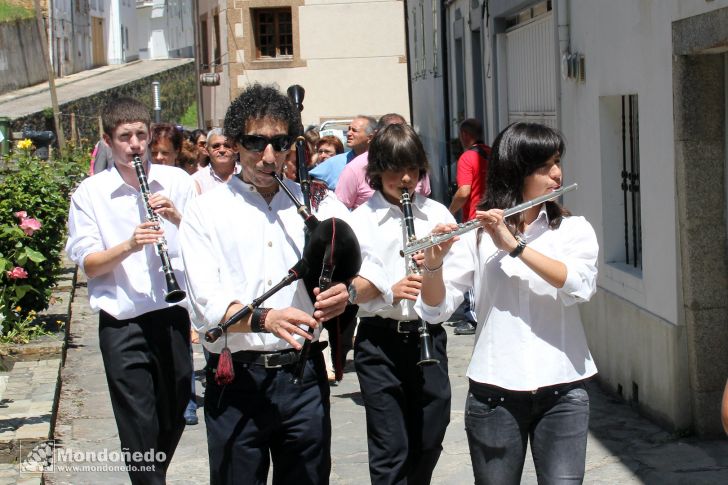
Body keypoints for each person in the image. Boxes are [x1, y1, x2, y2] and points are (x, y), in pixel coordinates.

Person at [178, 83, 352, 485]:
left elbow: (368, 259)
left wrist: (349, 290)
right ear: (236, 143)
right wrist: (265, 319)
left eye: (280, 142)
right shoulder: (206, 212)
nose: (269, 155)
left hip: (303, 377)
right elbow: (206, 307)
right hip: (237, 380)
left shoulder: (316, 203)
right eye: (256, 142)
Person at [417, 122, 599, 485]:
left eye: (558, 162)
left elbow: (579, 286)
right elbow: (436, 309)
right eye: (545, 166)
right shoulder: (478, 233)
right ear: (517, 170)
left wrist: (515, 247)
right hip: (494, 393)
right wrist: (434, 263)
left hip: (563, 390)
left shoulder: (573, 229)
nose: (557, 174)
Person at [66, 97, 195, 484]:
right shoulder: (90, 193)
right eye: (125, 137)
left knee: (172, 416)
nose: (135, 144)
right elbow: (88, 263)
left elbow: (209, 246)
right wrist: (129, 245)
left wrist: (178, 219)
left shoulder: (178, 182)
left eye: (142, 134)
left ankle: (151, 476)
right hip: (122, 323)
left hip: (172, 316)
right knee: (138, 421)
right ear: (108, 141)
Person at [347, 123, 454, 484]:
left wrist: (435, 267)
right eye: (394, 170)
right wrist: (387, 289)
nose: (405, 178)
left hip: (428, 335)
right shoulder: (359, 221)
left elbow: (455, 287)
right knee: (390, 447)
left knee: (430, 436)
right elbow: (348, 289)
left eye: (412, 168)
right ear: (377, 171)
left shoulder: (438, 215)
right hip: (380, 340)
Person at [447, 118, 491, 336]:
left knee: (472, 269)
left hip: (473, 221)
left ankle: (473, 317)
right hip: (494, 219)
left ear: (465, 135)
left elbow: (464, 192)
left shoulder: (467, 158)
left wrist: (449, 211)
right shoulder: (491, 153)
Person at [335, 113, 432, 210]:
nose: (406, 178)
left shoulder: (438, 212)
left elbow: (424, 195)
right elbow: (340, 210)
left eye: (412, 168)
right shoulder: (354, 168)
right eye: (396, 169)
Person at [308, 115, 376, 190]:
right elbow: (306, 183)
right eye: (349, 129)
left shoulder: (380, 163)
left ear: (370, 137)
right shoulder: (333, 163)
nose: (349, 133)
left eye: (354, 130)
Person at [191, 128, 240, 193]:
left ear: (235, 148)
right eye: (216, 146)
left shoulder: (247, 175)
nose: (222, 150)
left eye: (227, 146)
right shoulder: (196, 180)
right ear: (207, 150)